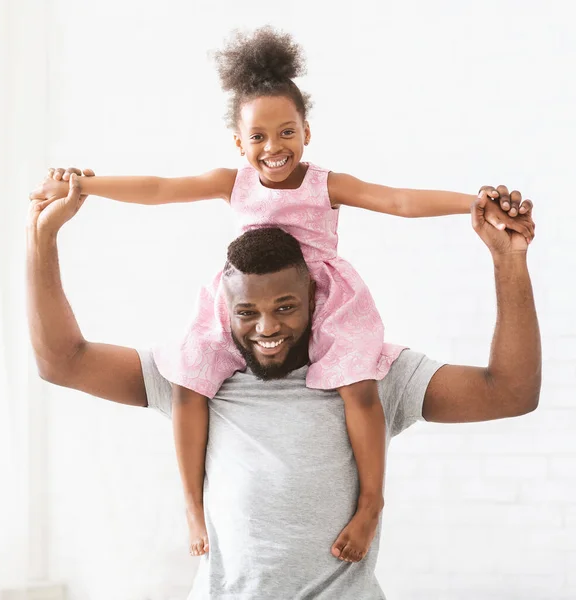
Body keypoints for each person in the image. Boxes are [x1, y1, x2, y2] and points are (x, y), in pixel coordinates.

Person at [29, 27, 535, 562]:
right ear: (239, 143)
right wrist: (83, 186)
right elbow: (160, 188)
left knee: (358, 385)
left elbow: (398, 200)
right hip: (247, 286)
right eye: (259, 138)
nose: (274, 148)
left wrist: (472, 204)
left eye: (286, 132)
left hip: (325, 296)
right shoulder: (233, 182)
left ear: (308, 132)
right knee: (189, 376)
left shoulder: (324, 183)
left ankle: (370, 502)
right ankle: (191, 507)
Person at [28, 172, 540, 597]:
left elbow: (510, 391)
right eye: (247, 313)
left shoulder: (370, 372)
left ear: (316, 299)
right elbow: (64, 361)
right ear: (223, 310)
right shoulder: (199, 378)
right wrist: (42, 238)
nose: (267, 329)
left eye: (286, 308)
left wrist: (508, 260)